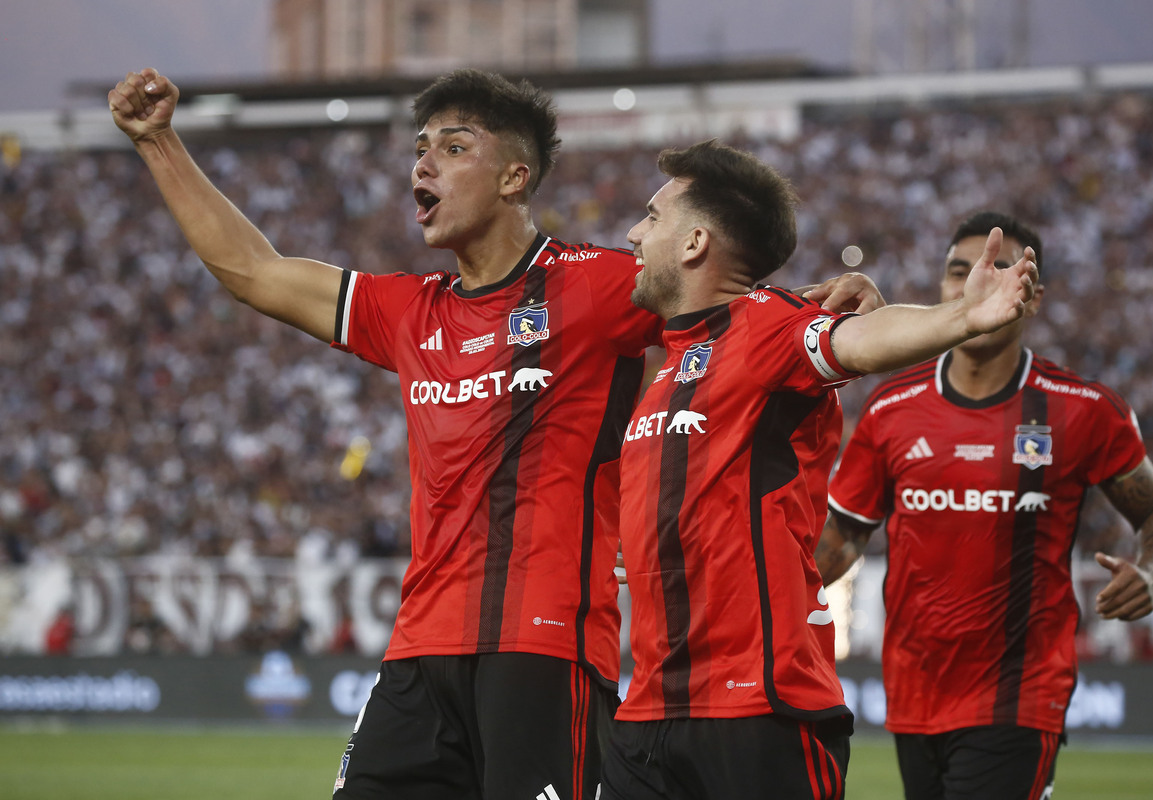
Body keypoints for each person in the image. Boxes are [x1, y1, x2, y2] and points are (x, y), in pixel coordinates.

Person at [108, 67, 880, 800]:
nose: (425, 165)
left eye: (453, 147)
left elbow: (727, 297)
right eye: (420, 149)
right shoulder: (409, 310)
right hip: (418, 651)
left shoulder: (600, 283)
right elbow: (255, 271)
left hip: (544, 652)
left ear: (515, 178)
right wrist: (157, 142)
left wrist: (828, 304)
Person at [603, 142, 1038, 800]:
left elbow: (858, 340)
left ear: (695, 241)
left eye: (652, 216)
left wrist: (960, 317)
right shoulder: (670, 366)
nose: (634, 232)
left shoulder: (767, 326)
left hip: (759, 709)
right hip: (649, 714)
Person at [816, 211, 1153, 800]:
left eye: (999, 269)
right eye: (959, 272)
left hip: (1020, 695)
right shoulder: (891, 410)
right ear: (943, 291)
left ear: (1031, 298)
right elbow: (842, 539)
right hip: (912, 693)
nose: (977, 281)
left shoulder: (1083, 409)